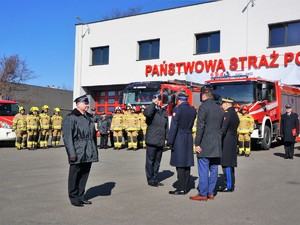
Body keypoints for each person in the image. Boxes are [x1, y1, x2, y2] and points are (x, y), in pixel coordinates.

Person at [62, 95, 99, 207]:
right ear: (78, 104)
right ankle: (74, 198)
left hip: (89, 150)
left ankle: (81, 196)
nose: (87, 105)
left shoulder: (89, 117)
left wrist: (94, 150)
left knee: (84, 174)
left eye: (88, 103)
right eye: (85, 103)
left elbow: (92, 136)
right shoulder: (71, 117)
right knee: (75, 175)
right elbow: (67, 137)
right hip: (77, 151)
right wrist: (71, 154)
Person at [189, 88, 224, 201]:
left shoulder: (203, 107)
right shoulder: (220, 109)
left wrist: (197, 143)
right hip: (216, 143)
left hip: (205, 143)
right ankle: (211, 193)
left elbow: (200, 127)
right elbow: (222, 128)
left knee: (203, 169)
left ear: (204, 96)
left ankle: (203, 194)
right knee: (214, 168)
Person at [168, 92, 197, 195]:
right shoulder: (192, 110)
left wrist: (170, 141)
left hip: (179, 137)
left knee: (180, 164)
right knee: (187, 163)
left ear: (179, 100)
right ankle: (185, 186)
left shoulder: (177, 109)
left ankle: (180, 188)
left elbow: (174, 127)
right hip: (189, 136)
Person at [144, 94, 169, 187]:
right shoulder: (151, 111)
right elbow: (147, 113)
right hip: (152, 140)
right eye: (157, 100)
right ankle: (150, 179)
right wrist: (153, 103)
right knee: (150, 161)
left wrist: (167, 138)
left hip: (160, 140)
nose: (159, 101)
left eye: (159, 100)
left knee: (157, 161)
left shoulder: (164, 112)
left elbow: (167, 127)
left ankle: (155, 178)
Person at [219, 97, 240, 192]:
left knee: (226, 163)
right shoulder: (234, 113)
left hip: (227, 140)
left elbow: (224, 127)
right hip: (232, 139)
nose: (221, 105)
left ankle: (229, 185)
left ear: (227, 104)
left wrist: (218, 138)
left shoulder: (228, 114)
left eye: (223, 103)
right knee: (229, 164)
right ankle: (230, 183)